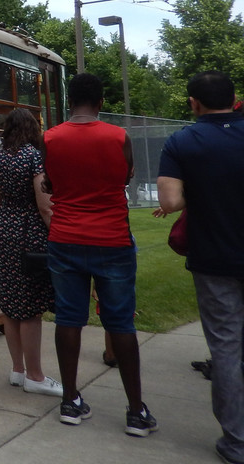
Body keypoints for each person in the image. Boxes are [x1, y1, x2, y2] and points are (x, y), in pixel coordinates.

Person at [39, 73, 156, 436]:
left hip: (65, 237)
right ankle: (136, 411)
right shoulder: (118, 136)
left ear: (69, 101)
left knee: (69, 319)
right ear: (101, 102)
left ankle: (70, 400)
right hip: (112, 239)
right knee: (120, 323)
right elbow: (126, 176)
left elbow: (49, 182)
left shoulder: (50, 138)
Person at [157, 70, 244, 464]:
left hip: (214, 258)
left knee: (225, 348)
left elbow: (170, 201)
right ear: (234, 97)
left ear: (194, 103)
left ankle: (236, 441)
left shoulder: (182, 141)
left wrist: (202, 185)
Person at [0, 109, 62, 396]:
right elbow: (45, 205)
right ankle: (36, 376)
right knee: (30, 308)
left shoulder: (1, 157)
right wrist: (58, 234)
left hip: (5, 232)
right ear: (32, 128)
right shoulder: (34, 157)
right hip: (29, 233)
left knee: (10, 304)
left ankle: (17, 370)